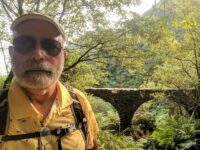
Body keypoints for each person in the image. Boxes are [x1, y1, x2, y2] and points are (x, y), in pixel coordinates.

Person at [0, 13, 99, 150]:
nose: (38, 55)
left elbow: (92, 145)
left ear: (64, 57)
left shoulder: (79, 103)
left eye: (51, 46)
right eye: (24, 44)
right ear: (11, 53)